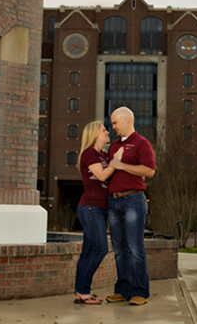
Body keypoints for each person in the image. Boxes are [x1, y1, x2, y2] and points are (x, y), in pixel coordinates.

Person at [106, 106, 156, 306]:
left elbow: (150, 171)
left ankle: (140, 292)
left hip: (133, 201)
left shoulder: (142, 143)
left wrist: (122, 165)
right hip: (113, 201)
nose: (113, 127)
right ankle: (123, 290)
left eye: (116, 123)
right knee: (119, 249)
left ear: (127, 120)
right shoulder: (113, 146)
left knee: (135, 248)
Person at [74, 120, 123, 305]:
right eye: (104, 129)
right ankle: (84, 291)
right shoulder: (89, 153)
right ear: (95, 133)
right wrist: (116, 162)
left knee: (88, 251)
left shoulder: (103, 155)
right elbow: (102, 176)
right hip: (90, 207)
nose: (107, 131)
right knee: (101, 248)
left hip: (101, 208)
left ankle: (80, 292)